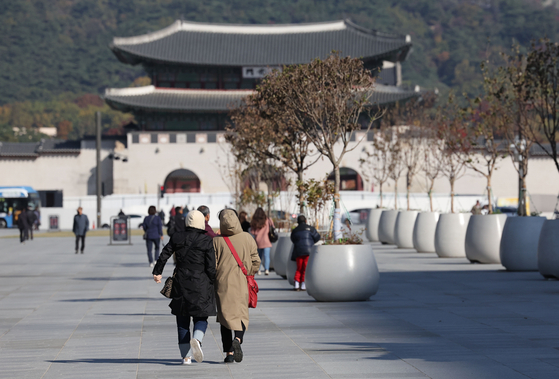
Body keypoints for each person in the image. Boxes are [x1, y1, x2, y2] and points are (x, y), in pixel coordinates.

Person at [153, 210, 216, 365]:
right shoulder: (207, 241)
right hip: (200, 282)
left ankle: (186, 357)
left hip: (181, 281)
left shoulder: (177, 237)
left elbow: (164, 254)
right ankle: (197, 339)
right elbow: (211, 267)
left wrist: (157, 272)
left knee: (182, 319)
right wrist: (214, 281)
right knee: (201, 316)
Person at [213, 209, 260, 363]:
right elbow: (256, 261)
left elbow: (212, 264)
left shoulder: (216, 241)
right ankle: (238, 340)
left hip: (222, 284)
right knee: (240, 315)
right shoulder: (247, 237)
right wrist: (250, 272)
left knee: (225, 318)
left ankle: (228, 353)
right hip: (242, 282)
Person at [290, 215, 321, 291]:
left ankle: (296, 284)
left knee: (299, 268)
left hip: (298, 251)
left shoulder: (295, 230)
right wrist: (311, 242)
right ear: (306, 221)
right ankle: (303, 285)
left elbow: (293, 239)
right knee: (305, 268)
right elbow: (317, 237)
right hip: (309, 251)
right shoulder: (311, 229)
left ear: (297, 222)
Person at [249, 207, 274, 275]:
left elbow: (252, 232)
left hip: (258, 241)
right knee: (267, 256)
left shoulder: (254, 221)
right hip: (267, 241)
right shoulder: (268, 220)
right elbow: (273, 227)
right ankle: (266, 269)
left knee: (259, 256)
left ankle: (258, 270)